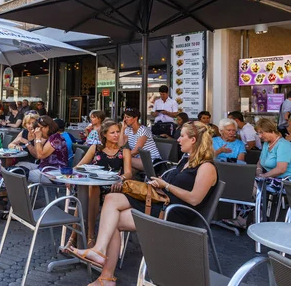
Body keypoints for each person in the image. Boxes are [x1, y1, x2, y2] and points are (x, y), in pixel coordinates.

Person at [69, 122, 218, 285]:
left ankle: (105, 274)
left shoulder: (207, 167)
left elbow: (194, 198)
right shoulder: (186, 161)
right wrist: (161, 182)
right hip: (161, 205)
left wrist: (166, 186)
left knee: (113, 220)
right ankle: (100, 255)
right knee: (112, 199)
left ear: (194, 140)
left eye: (182, 136)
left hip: (174, 215)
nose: (178, 140)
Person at [65, 120, 133, 249]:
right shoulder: (96, 148)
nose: (116, 135)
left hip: (113, 187)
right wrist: (69, 176)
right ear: (104, 134)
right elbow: (80, 166)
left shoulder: (124, 150)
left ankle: (80, 237)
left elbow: (129, 172)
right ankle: (83, 237)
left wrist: (120, 178)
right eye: (112, 132)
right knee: (91, 189)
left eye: (118, 132)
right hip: (93, 185)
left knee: (88, 193)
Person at [17, 116, 68, 183]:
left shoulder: (56, 138)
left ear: (49, 126)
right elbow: (36, 154)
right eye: (38, 128)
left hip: (54, 173)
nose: (39, 131)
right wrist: (34, 139)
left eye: (42, 128)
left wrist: (38, 138)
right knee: (18, 166)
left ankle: (17, 192)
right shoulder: (49, 137)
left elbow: (40, 155)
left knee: (18, 173)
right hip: (44, 168)